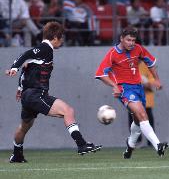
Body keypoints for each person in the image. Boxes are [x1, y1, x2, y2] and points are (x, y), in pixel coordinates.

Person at [5, 21, 102, 163]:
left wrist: (20, 88)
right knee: (67, 111)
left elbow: (26, 67)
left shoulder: (43, 52)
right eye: (61, 38)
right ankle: (81, 145)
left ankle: (17, 155)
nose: (62, 42)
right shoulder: (45, 48)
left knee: (24, 126)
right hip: (36, 94)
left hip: (28, 95)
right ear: (55, 37)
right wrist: (14, 67)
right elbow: (25, 55)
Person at [95, 27, 168, 159]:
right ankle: (158, 146)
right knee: (142, 113)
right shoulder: (112, 54)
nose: (131, 43)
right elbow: (101, 74)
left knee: (138, 120)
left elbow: (150, 63)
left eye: (133, 40)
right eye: (128, 40)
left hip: (138, 88)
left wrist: (157, 79)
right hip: (124, 89)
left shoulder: (138, 49)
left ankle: (130, 144)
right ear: (121, 39)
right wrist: (114, 86)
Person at [128, 62, 159, 146]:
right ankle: (136, 142)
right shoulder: (127, 64)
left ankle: (151, 143)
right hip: (132, 99)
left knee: (148, 120)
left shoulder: (146, 66)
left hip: (146, 99)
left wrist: (146, 83)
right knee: (133, 120)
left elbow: (154, 81)